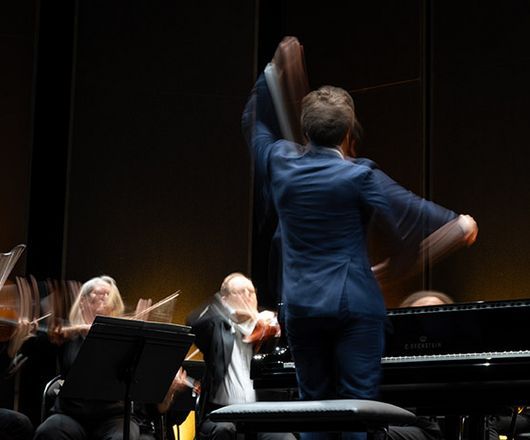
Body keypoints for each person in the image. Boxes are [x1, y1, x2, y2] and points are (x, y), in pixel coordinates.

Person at [34, 275, 143, 440]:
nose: (104, 297)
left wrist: (138, 332)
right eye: (98, 293)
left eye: (109, 295)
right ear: (82, 301)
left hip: (114, 416)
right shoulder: (68, 333)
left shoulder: (121, 338)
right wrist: (78, 329)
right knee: (49, 431)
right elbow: (45, 336)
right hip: (71, 414)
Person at [186, 272, 293, 440]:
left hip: (259, 416)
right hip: (221, 414)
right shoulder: (217, 330)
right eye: (240, 292)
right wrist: (227, 312)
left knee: (285, 438)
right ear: (224, 300)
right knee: (223, 430)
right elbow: (194, 322)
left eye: (251, 292)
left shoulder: (266, 328)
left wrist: (267, 325)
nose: (247, 296)